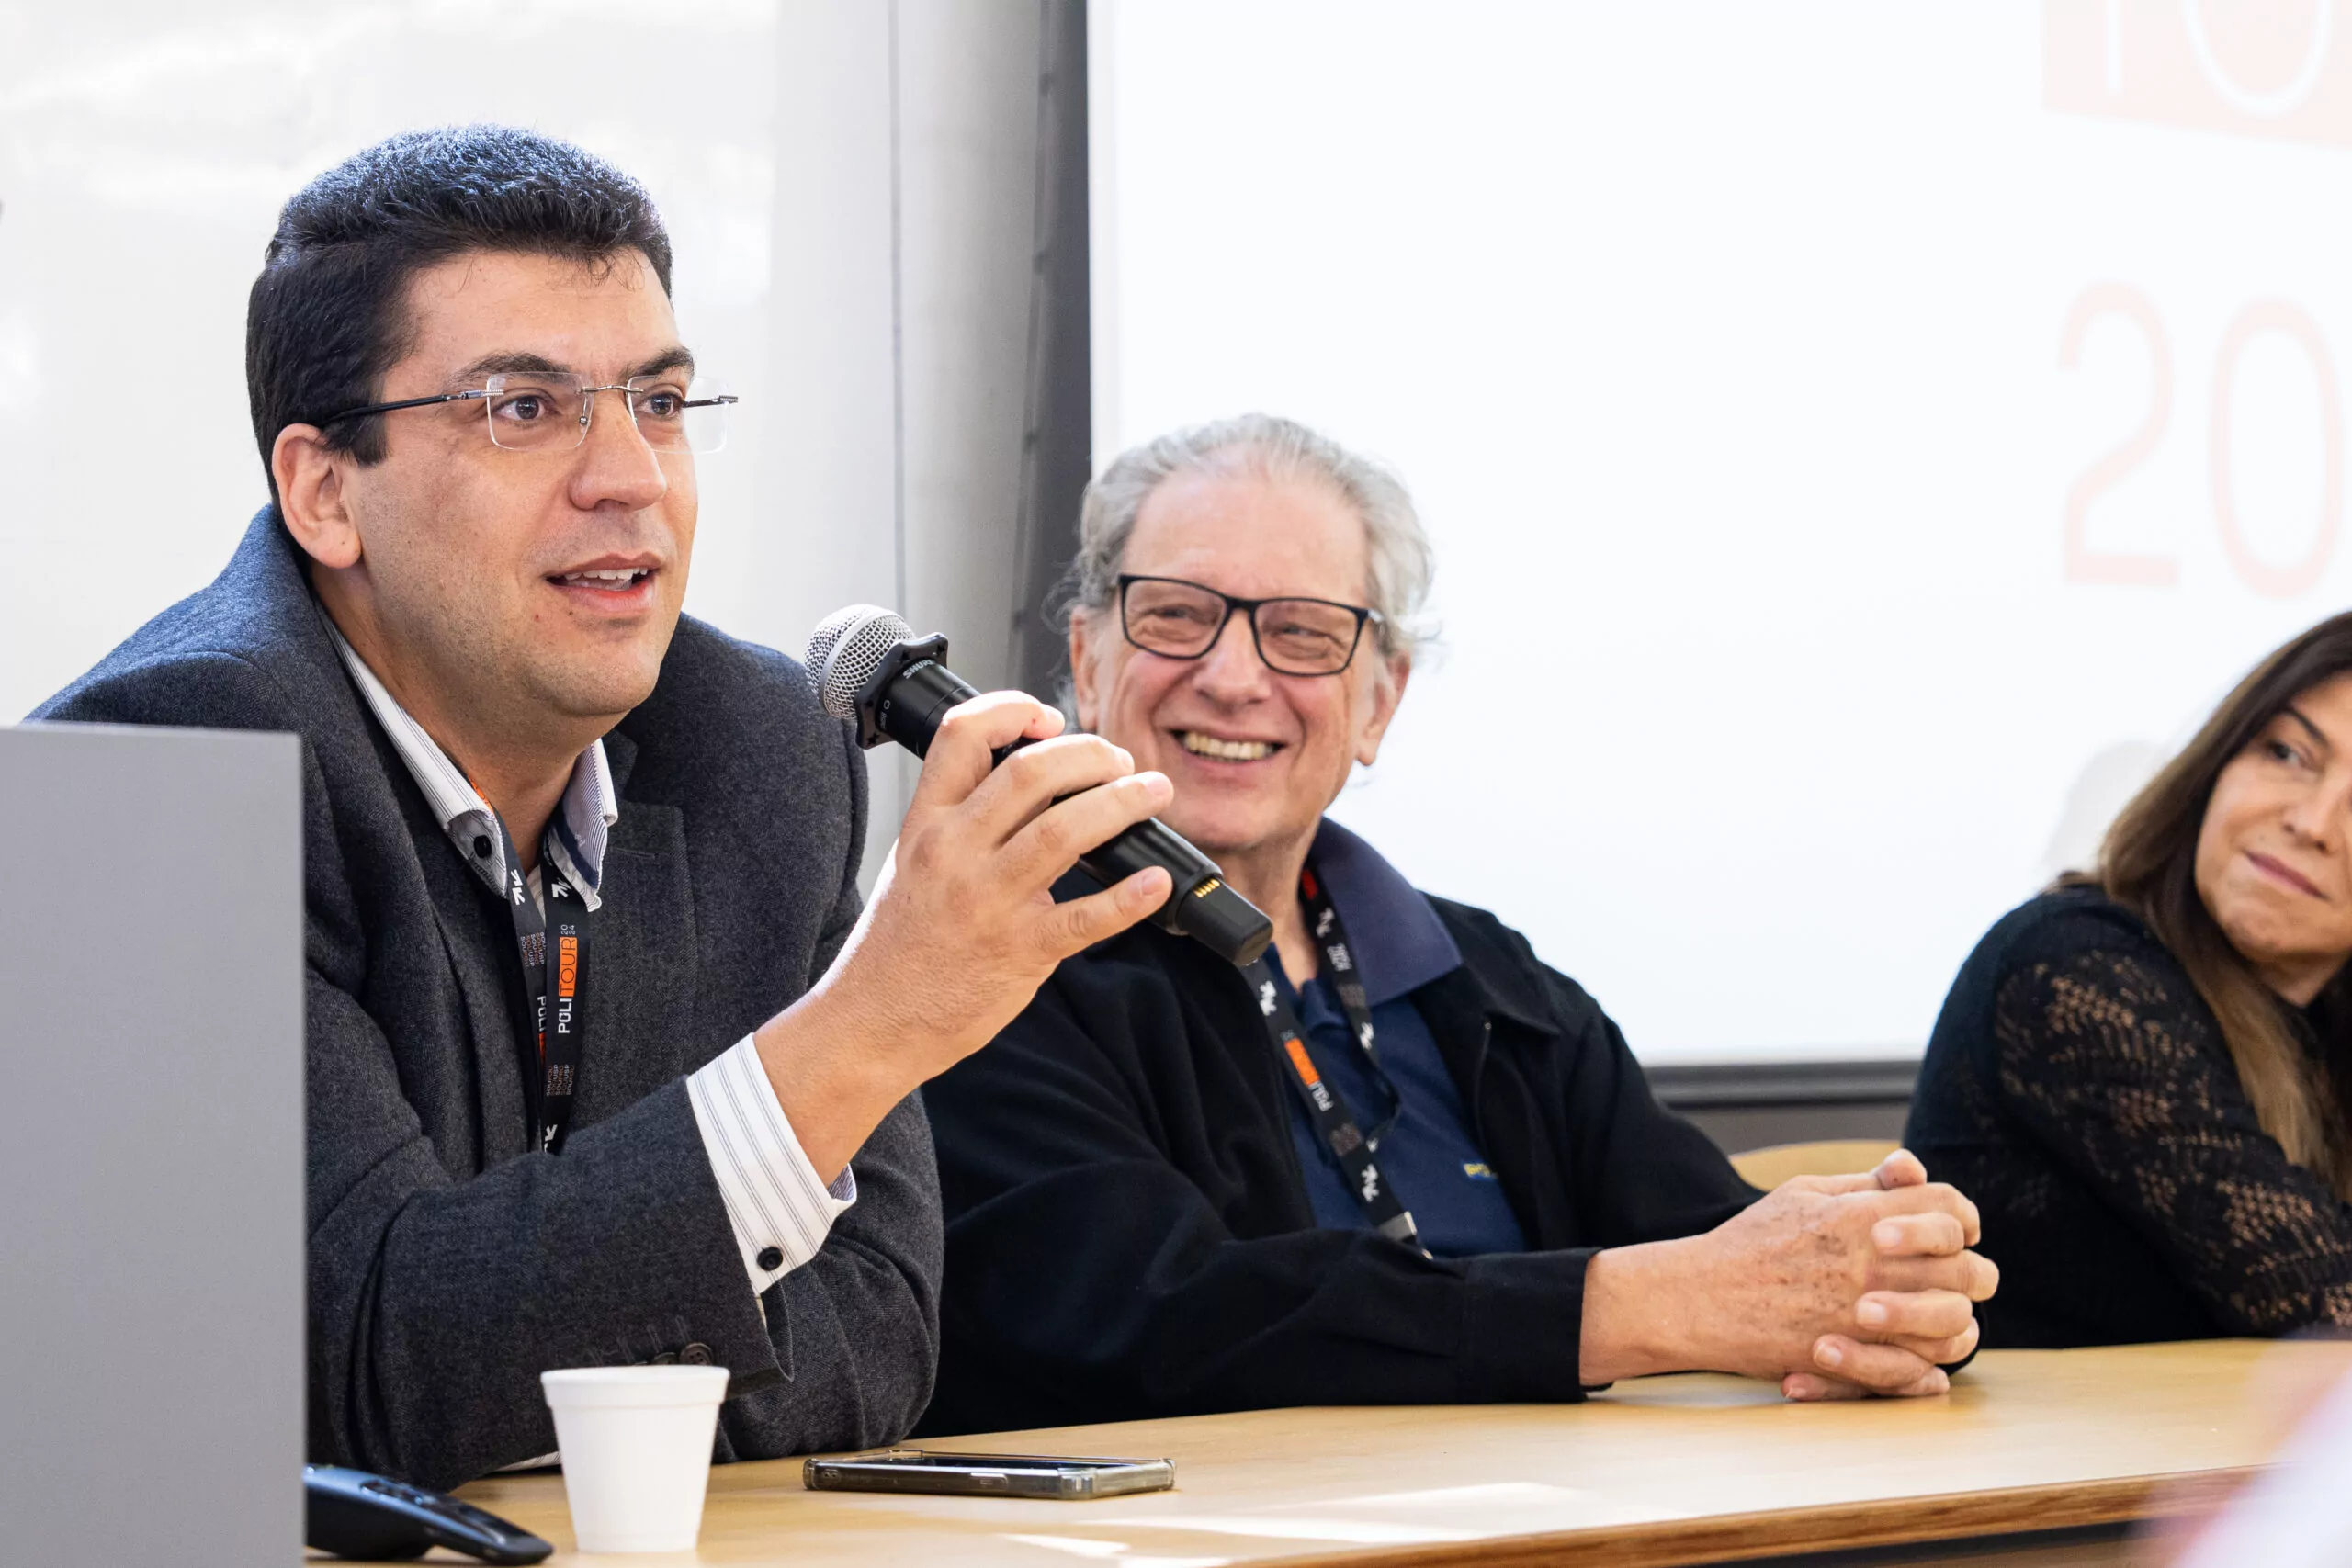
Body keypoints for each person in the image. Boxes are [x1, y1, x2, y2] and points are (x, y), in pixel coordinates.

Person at [32, 127, 1180, 1488]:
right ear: (325, 493)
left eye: (660, 400)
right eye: (524, 408)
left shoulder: (755, 746)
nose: (630, 475)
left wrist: (514, 1387)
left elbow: (879, 1331)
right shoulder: (159, 764)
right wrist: (865, 1032)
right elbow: (333, 1379)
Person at [918, 414, 1996, 1434]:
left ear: (1380, 701)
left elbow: (1710, 1242)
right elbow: (1144, 1315)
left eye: (1302, 632)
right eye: (1177, 616)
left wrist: (1875, 1280)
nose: (1234, 676)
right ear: (1091, 660)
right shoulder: (985, 959)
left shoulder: (1477, 978)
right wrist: (1632, 1311)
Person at [1909, 613, 2352, 1347]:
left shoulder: (2327, 1026)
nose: (2313, 821)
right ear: (2220, 760)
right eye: (2288, 752)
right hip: (2028, 1462)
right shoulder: (2074, 969)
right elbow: (2321, 1293)